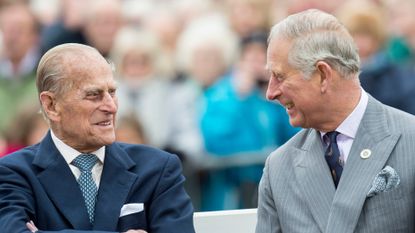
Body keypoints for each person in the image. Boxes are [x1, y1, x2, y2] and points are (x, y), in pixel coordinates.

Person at [0, 43, 195, 233]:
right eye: (94, 95)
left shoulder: (158, 169)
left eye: (112, 92)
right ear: (51, 105)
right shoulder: (14, 173)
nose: (111, 106)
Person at [256, 9, 415, 233]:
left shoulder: (411, 141)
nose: (270, 93)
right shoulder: (279, 169)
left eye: (280, 76)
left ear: (323, 75)